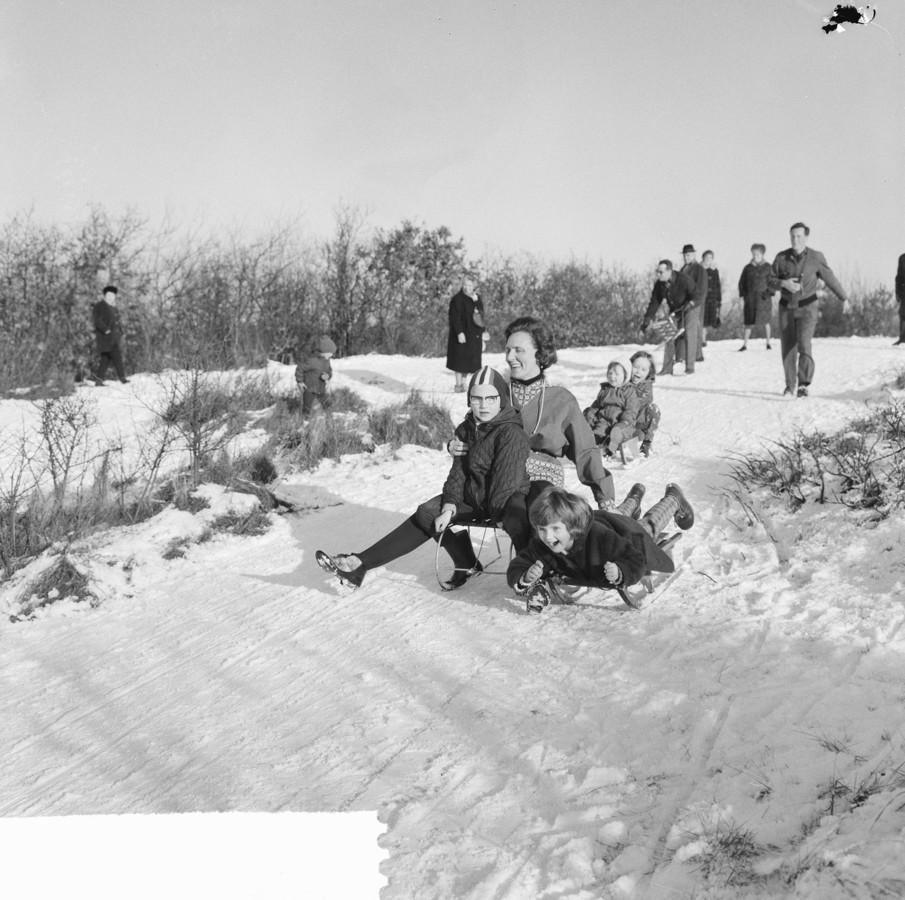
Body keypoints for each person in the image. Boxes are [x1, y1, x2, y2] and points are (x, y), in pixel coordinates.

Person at [316, 366, 531, 590]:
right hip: (474, 496)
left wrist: (498, 516)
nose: (484, 405)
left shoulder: (510, 432)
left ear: (502, 398)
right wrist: (449, 506)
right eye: (477, 398)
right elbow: (458, 473)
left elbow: (506, 484)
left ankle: (527, 574)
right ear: (469, 399)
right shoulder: (466, 429)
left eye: (491, 398)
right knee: (427, 512)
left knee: (513, 515)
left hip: (503, 503)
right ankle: (361, 563)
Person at [447, 317, 616, 546]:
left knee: (539, 512)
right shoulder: (497, 394)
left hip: (541, 478)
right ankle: (472, 559)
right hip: (498, 478)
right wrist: (457, 443)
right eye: (507, 350)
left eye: (518, 350)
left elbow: (585, 450)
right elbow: (472, 426)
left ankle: (538, 569)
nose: (509, 357)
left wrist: (605, 497)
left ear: (539, 354)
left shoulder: (560, 399)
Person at [506, 483, 694, 612]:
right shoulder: (542, 544)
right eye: (541, 529)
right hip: (604, 518)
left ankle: (673, 498)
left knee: (648, 525)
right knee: (616, 514)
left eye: (555, 528)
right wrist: (526, 575)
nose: (547, 536)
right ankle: (634, 498)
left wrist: (620, 572)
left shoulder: (601, 538)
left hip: (623, 533)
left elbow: (635, 559)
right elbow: (519, 564)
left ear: (572, 527)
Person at [768, 222, 851, 397]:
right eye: (792, 236)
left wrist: (844, 297)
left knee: (804, 344)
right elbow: (769, 280)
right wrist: (784, 283)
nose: (795, 239)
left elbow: (830, 279)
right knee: (788, 347)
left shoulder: (816, 257)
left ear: (806, 237)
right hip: (786, 307)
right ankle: (790, 386)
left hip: (808, 307)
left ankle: (803, 384)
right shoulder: (781, 258)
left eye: (798, 236)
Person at [641, 260, 694, 376]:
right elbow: (654, 302)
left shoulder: (683, 279)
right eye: (657, 272)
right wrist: (648, 318)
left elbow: (697, 293)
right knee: (669, 335)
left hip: (690, 308)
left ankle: (689, 368)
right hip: (675, 310)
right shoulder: (659, 284)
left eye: (661, 272)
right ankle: (667, 369)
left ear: (669, 271)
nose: (658, 274)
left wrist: (691, 303)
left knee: (689, 335)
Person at [582, 357, 641, 459]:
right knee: (596, 434)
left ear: (625, 375)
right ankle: (597, 446)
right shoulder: (605, 390)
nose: (612, 376)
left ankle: (612, 445)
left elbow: (630, 410)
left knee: (616, 432)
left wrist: (624, 422)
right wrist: (589, 416)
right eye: (610, 373)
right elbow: (596, 405)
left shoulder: (629, 391)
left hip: (622, 423)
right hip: (604, 422)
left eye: (616, 374)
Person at [445, 276, 487, 393]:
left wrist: (483, 332)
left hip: (475, 334)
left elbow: (481, 317)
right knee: (459, 359)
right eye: (465, 285)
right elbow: (454, 318)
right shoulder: (457, 299)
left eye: (470, 285)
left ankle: (464, 383)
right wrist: (459, 332)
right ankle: (458, 385)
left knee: (470, 359)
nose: (467, 288)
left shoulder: (477, 299)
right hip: (462, 334)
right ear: (462, 285)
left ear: (474, 286)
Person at [738, 244, 774, 351]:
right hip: (750, 299)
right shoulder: (747, 268)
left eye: (757, 253)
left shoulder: (768, 267)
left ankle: (768, 343)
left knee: (766, 322)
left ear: (762, 254)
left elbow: (773, 282)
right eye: (754, 253)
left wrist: (769, 293)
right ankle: (745, 344)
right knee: (748, 322)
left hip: (764, 298)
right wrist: (743, 295)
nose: (755, 256)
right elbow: (742, 283)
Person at [90, 286, 128, 385]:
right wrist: (105, 329)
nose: (111, 297)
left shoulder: (114, 307)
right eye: (109, 295)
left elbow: (117, 322)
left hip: (114, 338)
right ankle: (122, 378)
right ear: (105, 296)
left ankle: (98, 380)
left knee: (105, 359)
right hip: (105, 337)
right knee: (117, 357)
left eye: (113, 296)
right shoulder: (100, 306)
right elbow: (97, 320)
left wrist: (121, 332)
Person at [679, 244, 708, 370]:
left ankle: (695, 358)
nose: (686, 257)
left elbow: (702, 289)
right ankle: (682, 356)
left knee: (693, 330)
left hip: (694, 303)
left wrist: (694, 302)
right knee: (682, 329)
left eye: (688, 255)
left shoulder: (699, 269)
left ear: (694, 255)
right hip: (683, 304)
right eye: (684, 255)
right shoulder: (683, 269)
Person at [629, 350, 659, 457]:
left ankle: (646, 443)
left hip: (639, 424)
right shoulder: (622, 382)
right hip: (623, 423)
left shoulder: (646, 387)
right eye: (635, 367)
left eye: (643, 369)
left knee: (653, 409)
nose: (638, 372)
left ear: (648, 373)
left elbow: (641, 402)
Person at [296, 335, 336, 415]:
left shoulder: (326, 361)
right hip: (309, 388)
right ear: (323, 351)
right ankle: (305, 420)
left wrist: (328, 376)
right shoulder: (312, 360)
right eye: (330, 353)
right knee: (307, 405)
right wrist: (299, 381)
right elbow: (300, 368)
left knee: (326, 404)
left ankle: (328, 416)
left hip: (321, 388)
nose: (331, 355)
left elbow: (329, 370)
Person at [701, 250, 722, 349]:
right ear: (703, 258)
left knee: (711, 320)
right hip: (703, 297)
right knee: (702, 320)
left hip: (712, 297)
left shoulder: (715, 270)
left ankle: (707, 337)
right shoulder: (700, 269)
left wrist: (719, 299)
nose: (708, 260)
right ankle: (703, 339)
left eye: (710, 258)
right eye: (707, 258)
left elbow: (717, 284)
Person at [895, 253, 905, 346]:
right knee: (903, 314)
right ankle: (902, 338)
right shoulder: (902, 258)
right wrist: (898, 293)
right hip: (904, 292)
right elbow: (899, 277)